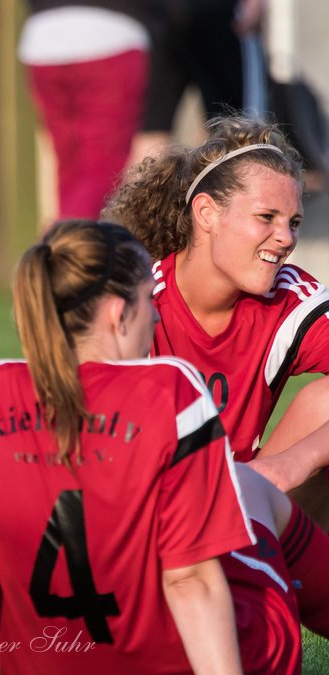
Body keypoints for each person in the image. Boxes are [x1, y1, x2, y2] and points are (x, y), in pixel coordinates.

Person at [0, 219, 329, 675]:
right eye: (150, 302)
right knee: (249, 486)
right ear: (121, 313)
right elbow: (189, 580)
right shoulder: (169, 387)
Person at [103, 115, 329, 522]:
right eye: (266, 217)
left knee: (324, 404)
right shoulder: (133, 301)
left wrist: (297, 461)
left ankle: (270, 572)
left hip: (243, 512)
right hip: (146, 522)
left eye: (293, 222)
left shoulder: (291, 300)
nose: (287, 238)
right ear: (206, 213)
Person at [18, 0, 163, 219]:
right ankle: (66, 247)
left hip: (44, 37)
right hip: (112, 36)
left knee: (69, 168)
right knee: (101, 168)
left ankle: (66, 241)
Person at [130, 0, 265, 164]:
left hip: (161, 13)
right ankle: (227, 186)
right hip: (212, 14)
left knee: (152, 129)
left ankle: (148, 188)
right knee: (235, 130)